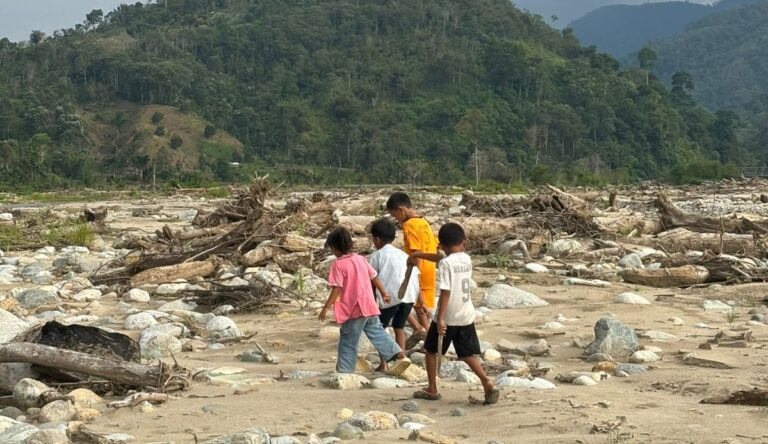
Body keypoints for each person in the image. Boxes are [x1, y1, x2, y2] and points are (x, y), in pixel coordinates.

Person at [410, 222, 499, 404]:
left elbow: (445, 292)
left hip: (448, 315)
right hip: (465, 314)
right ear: (463, 242)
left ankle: (432, 389)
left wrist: (441, 318)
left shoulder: (446, 264)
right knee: (467, 353)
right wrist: (418, 255)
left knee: (431, 350)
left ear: (441, 245)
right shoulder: (466, 259)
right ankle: (486, 381)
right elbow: (441, 259)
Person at [318, 226, 411, 375]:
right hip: (369, 305)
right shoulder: (360, 259)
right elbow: (374, 276)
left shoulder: (338, 265)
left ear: (335, 248)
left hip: (353, 309)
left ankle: (345, 370)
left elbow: (336, 288)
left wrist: (326, 307)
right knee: (377, 333)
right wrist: (383, 292)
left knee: (348, 339)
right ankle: (399, 355)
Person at [368, 218, 421, 371]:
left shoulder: (377, 256)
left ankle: (384, 363)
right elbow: (416, 275)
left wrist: (372, 300)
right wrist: (420, 300)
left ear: (377, 239)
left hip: (390, 296)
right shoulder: (403, 254)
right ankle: (402, 358)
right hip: (409, 295)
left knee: (380, 329)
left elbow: (372, 278)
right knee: (399, 326)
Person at [386, 192, 438, 343]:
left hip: (419, 269)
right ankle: (421, 330)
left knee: (411, 303)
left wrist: (415, 274)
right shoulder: (423, 222)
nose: (397, 219)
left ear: (401, 209)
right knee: (420, 305)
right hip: (430, 269)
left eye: (395, 215)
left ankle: (428, 338)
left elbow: (416, 253)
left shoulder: (409, 225)